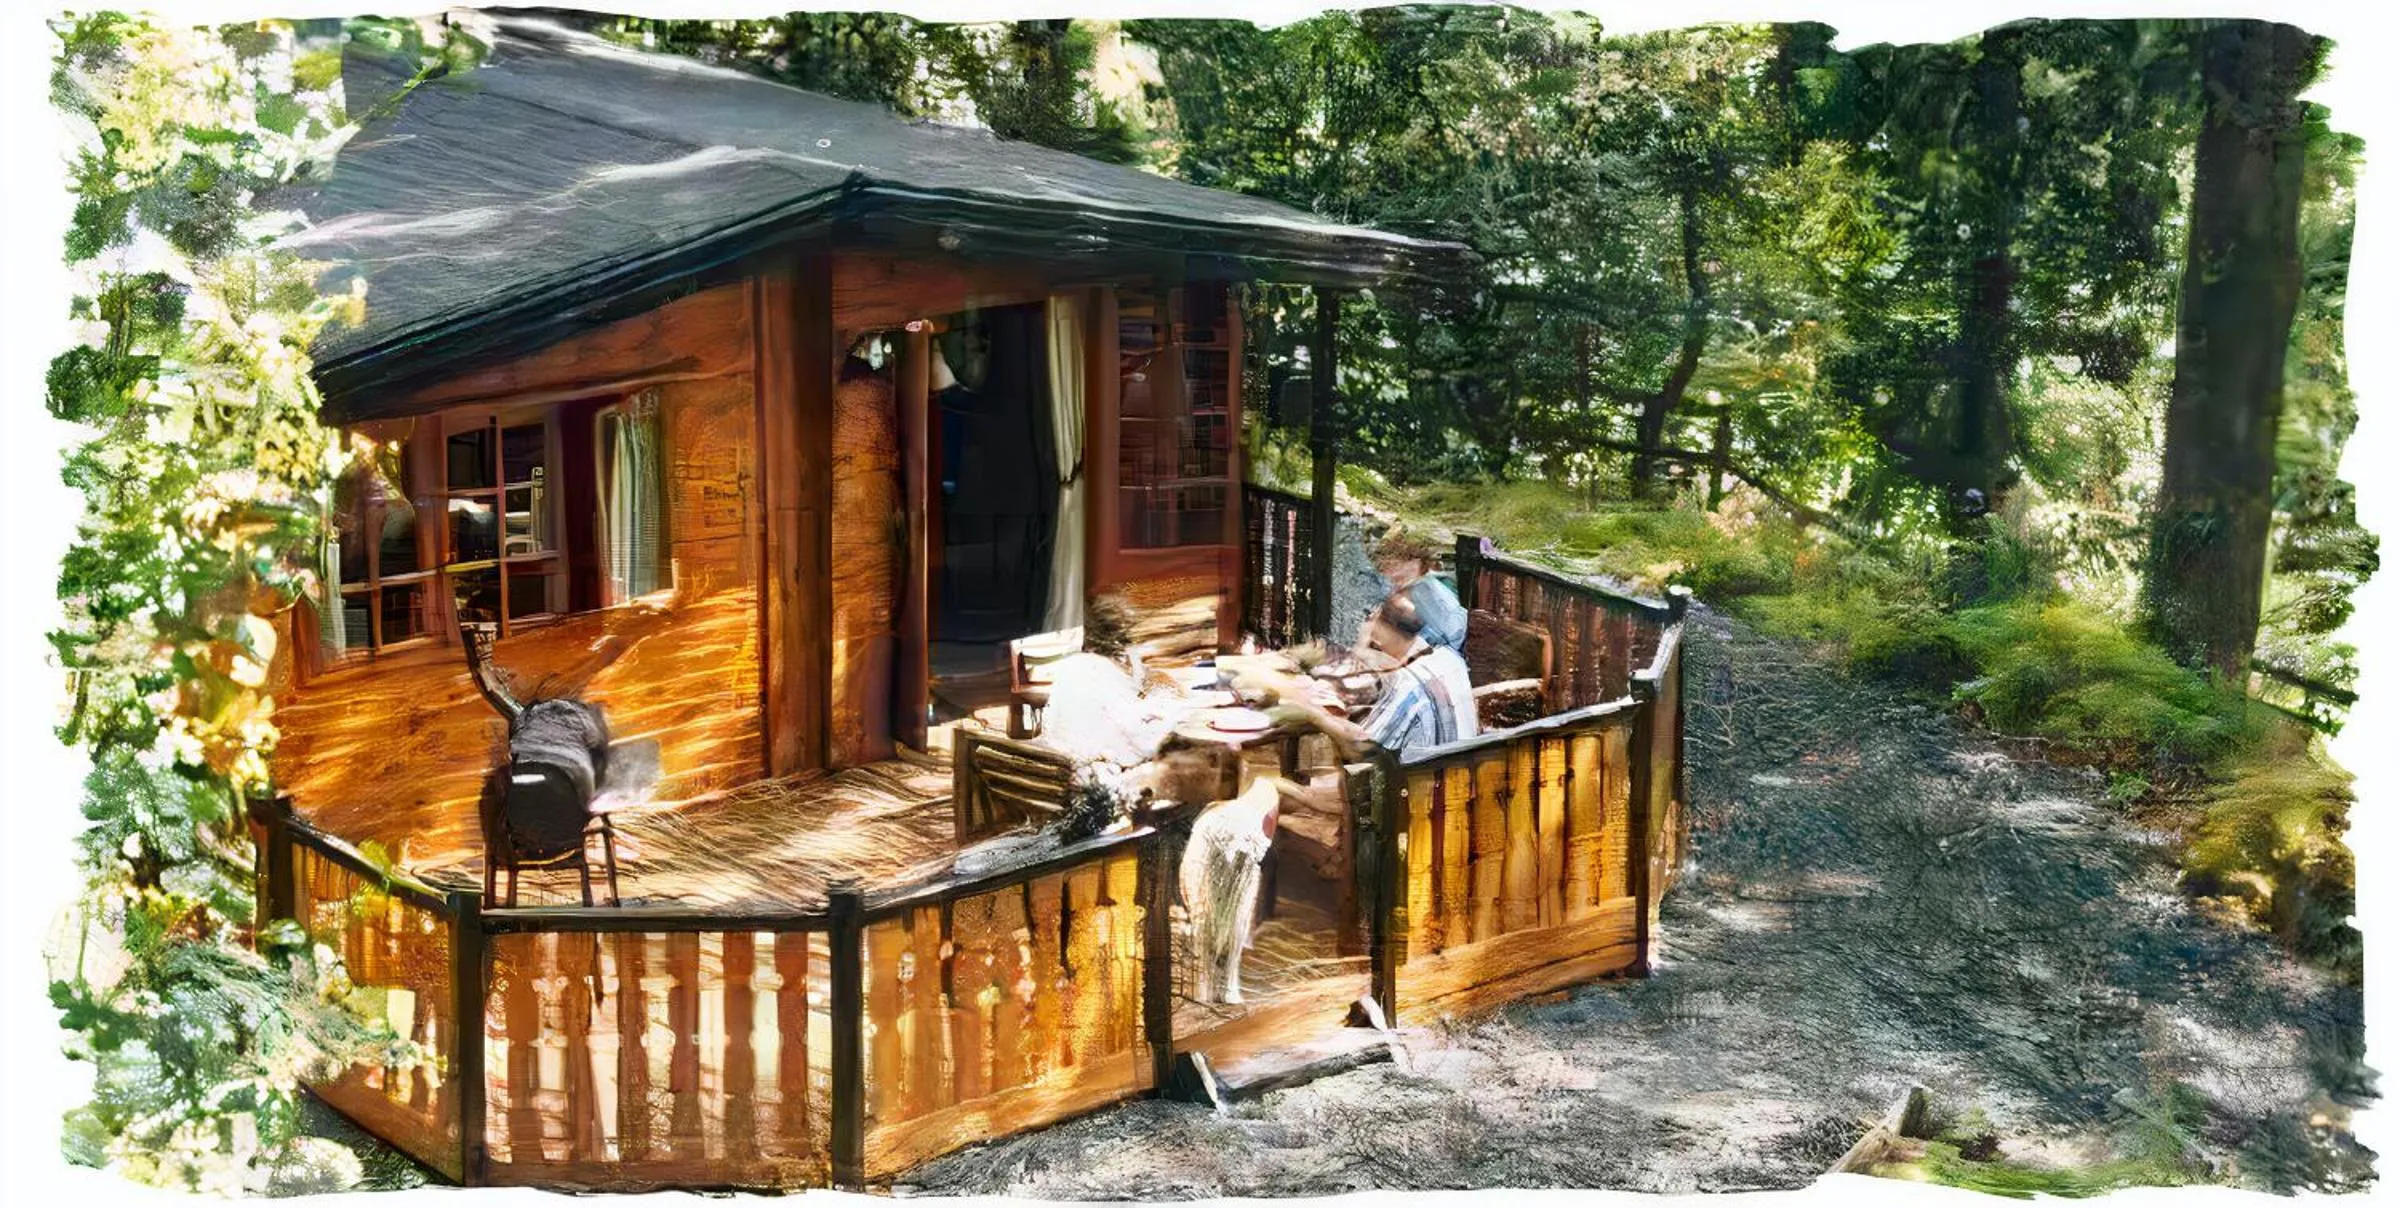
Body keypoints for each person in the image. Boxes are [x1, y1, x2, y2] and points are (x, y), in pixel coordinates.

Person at [1274, 593, 1478, 761]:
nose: (1366, 626)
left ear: (1380, 623)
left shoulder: (1407, 686)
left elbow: (1363, 748)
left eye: (1370, 619)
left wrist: (1314, 717)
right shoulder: (1450, 659)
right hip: (1456, 768)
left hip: (1421, 788)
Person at [1373, 528, 1467, 655]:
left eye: (1398, 563)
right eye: (1388, 565)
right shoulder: (1413, 588)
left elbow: (1451, 640)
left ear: (1418, 563)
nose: (1394, 571)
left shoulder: (1425, 592)